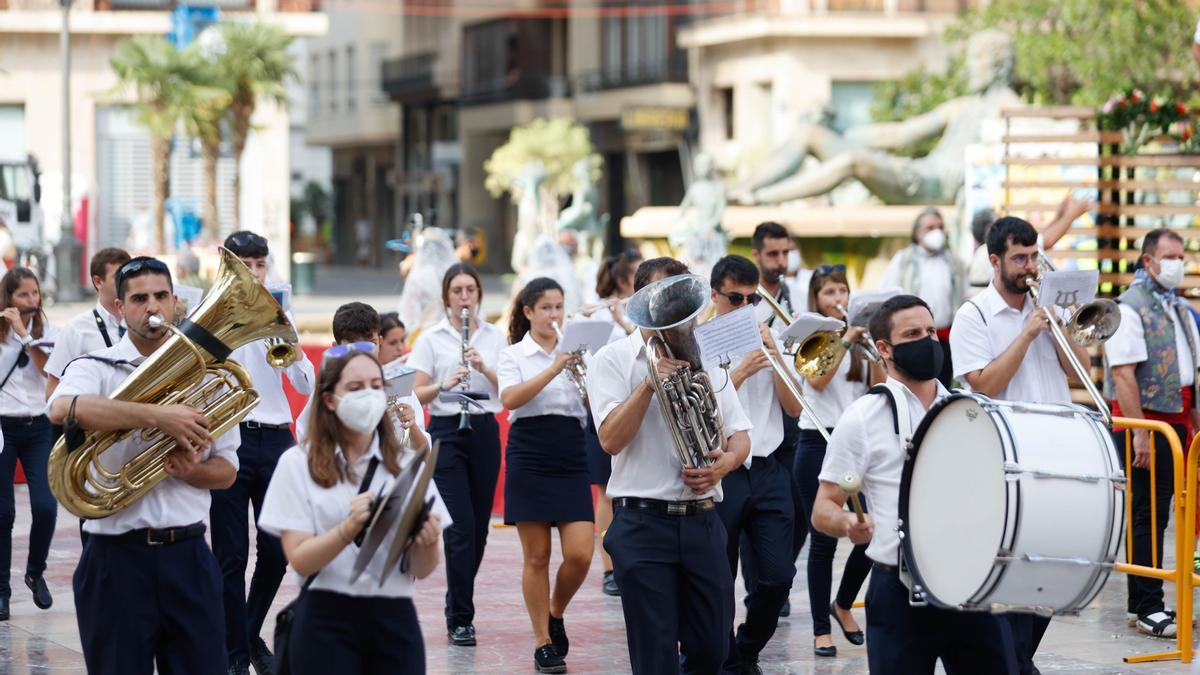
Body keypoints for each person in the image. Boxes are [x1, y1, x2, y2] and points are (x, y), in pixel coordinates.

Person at [48, 256, 239, 674]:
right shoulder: (95, 368)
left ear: (174, 301)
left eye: (160, 296)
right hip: (115, 561)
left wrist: (192, 471)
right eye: (138, 299)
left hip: (189, 555)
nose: (151, 307)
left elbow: (227, 471)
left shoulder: (207, 377)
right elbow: (61, 407)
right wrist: (156, 416)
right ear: (120, 307)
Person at [812, 294, 1018, 674]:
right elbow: (822, 507)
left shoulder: (970, 410)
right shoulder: (862, 417)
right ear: (884, 349)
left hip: (971, 586)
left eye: (930, 331)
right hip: (899, 591)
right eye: (913, 334)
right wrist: (847, 524)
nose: (928, 340)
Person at [588, 256, 753, 674]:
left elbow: (739, 435)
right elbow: (610, 440)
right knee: (655, 657)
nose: (676, 316)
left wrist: (726, 463)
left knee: (713, 648)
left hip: (702, 521)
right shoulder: (610, 360)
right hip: (643, 523)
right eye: (665, 301)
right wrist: (649, 384)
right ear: (641, 302)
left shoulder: (708, 360)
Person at [949, 216, 1091, 672]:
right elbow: (982, 385)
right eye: (1019, 258)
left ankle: (1018, 660)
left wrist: (1064, 327)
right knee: (1012, 569)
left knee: (1054, 570)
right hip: (1005, 456)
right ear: (994, 261)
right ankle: (1012, 662)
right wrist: (1028, 334)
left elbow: (1081, 373)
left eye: (1034, 256)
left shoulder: (1046, 307)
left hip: (1059, 449)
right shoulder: (975, 316)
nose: (1030, 266)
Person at [258, 345, 449, 675]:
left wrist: (428, 542)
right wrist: (347, 530)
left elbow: (423, 566)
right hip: (326, 618)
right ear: (330, 399)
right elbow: (300, 559)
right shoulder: (297, 463)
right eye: (356, 388)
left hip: (395, 616)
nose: (370, 396)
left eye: (377, 386)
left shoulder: (406, 463)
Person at [210, 231, 316, 675]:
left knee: (277, 549)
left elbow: (306, 386)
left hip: (275, 438)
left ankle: (248, 633)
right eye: (246, 264)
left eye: (260, 264)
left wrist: (287, 338)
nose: (255, 273)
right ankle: (235, 654)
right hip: (231, 437)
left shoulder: (281, 313)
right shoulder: (213, 316)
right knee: (230, 555)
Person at [708, 255, 803, 674]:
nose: (744, 307)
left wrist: (777, 357)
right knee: (718, 579)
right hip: (723, 468)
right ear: (715, 295)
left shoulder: (769, 336)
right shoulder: (697, 341)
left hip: (767, 467)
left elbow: (793, 409)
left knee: (778, 576)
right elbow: (701, 410)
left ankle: (746, 649)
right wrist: (740, 373)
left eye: (752, 299)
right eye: (735, 298)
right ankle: (724, 656)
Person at [1103, 228, 1199, 640]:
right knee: (1149, 512)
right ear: (1148, 261)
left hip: (1178, 417)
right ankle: (1148, 605)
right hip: (1146, 421)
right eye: (1170, 256)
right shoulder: (1130, 307)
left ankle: (1138, 601)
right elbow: (1123, 373)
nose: (1178, 263)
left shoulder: (1177, 307)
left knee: (1165, 511)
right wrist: (1139, 431)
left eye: (1182, 255)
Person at [497, 278, 594, 674]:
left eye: (559, 307)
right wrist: (555, 368)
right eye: (547, 308)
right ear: (528, 312)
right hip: (530, 449)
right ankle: (542, 640)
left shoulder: (577, 350)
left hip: (570, 448)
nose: (555, 315)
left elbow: (594, 403)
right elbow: (509, 399)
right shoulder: (514, 354)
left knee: (580, 553)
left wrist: (585, 375)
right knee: (536, 556)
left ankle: (556, 610)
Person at [409, 262, 505, 646]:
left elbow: (509, 389)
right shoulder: (431, 338)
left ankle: (458, 599)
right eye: (457, 292)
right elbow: (415, 393)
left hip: (482, 429)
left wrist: (485, 367)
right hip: (447, 430)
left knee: (479, 530)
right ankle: (460, 617)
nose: (464, 298)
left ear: (479, 294)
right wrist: (443, 383)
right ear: (447, 297)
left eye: (470, 290)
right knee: (461, 527)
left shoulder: (497, 336)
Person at [796, 263, 886, 658]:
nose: (838, 300)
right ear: (816, 297)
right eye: (830, 292)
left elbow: (879, 388)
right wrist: (845, 340)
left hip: (855, 442)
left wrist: (875, 347)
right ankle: (820, 629)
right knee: (822, 542)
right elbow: (817, 380)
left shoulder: (858, 337)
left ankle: (844, 603)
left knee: (870, 529)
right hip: (816, 439)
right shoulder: (812, 335)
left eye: (843, 292)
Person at [742, 223, 806, 618]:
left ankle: (770, 582)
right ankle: (760, 591)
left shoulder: (795, 296)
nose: (781, 262)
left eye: (785, 253)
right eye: (772, 255)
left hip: (792, 413)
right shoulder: (747, 304)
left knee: (798, 515)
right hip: (758, 422)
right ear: (757, 256)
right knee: (755, 514)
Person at [581, 249, 641, 596]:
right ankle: (608, 567)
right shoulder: (601, 315)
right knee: (606, 491)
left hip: (641, 409)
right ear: (623, 281)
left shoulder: (643, 314)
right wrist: (619, 322)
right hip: (607, 410)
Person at [0, 267, 57, 620]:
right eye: (24, 295)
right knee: (3, 512)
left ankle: (35, 571)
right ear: (8, 299)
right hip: (3, 426)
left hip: (38, 426)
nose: (32, 301)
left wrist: (24, 335)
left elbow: (50, 371)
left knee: (47, 506)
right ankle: (1, 590)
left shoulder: (47, 332)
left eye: (35, 293)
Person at [881, 208, 967, 387]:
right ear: (917, 233)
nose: (937, 232)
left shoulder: (954, 261)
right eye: (930, 228)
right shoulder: (903, 260)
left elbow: (963, 296)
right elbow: (888, 297)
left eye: (940, 227)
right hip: (911, 340)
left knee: (941, 388)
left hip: (944, 339)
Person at [44, 247, 130, 398]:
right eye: (118, 276)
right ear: (98, 282)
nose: (127, 282)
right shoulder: (75, 329)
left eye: (129, 275)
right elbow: (52, 391)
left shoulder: (142, 322)